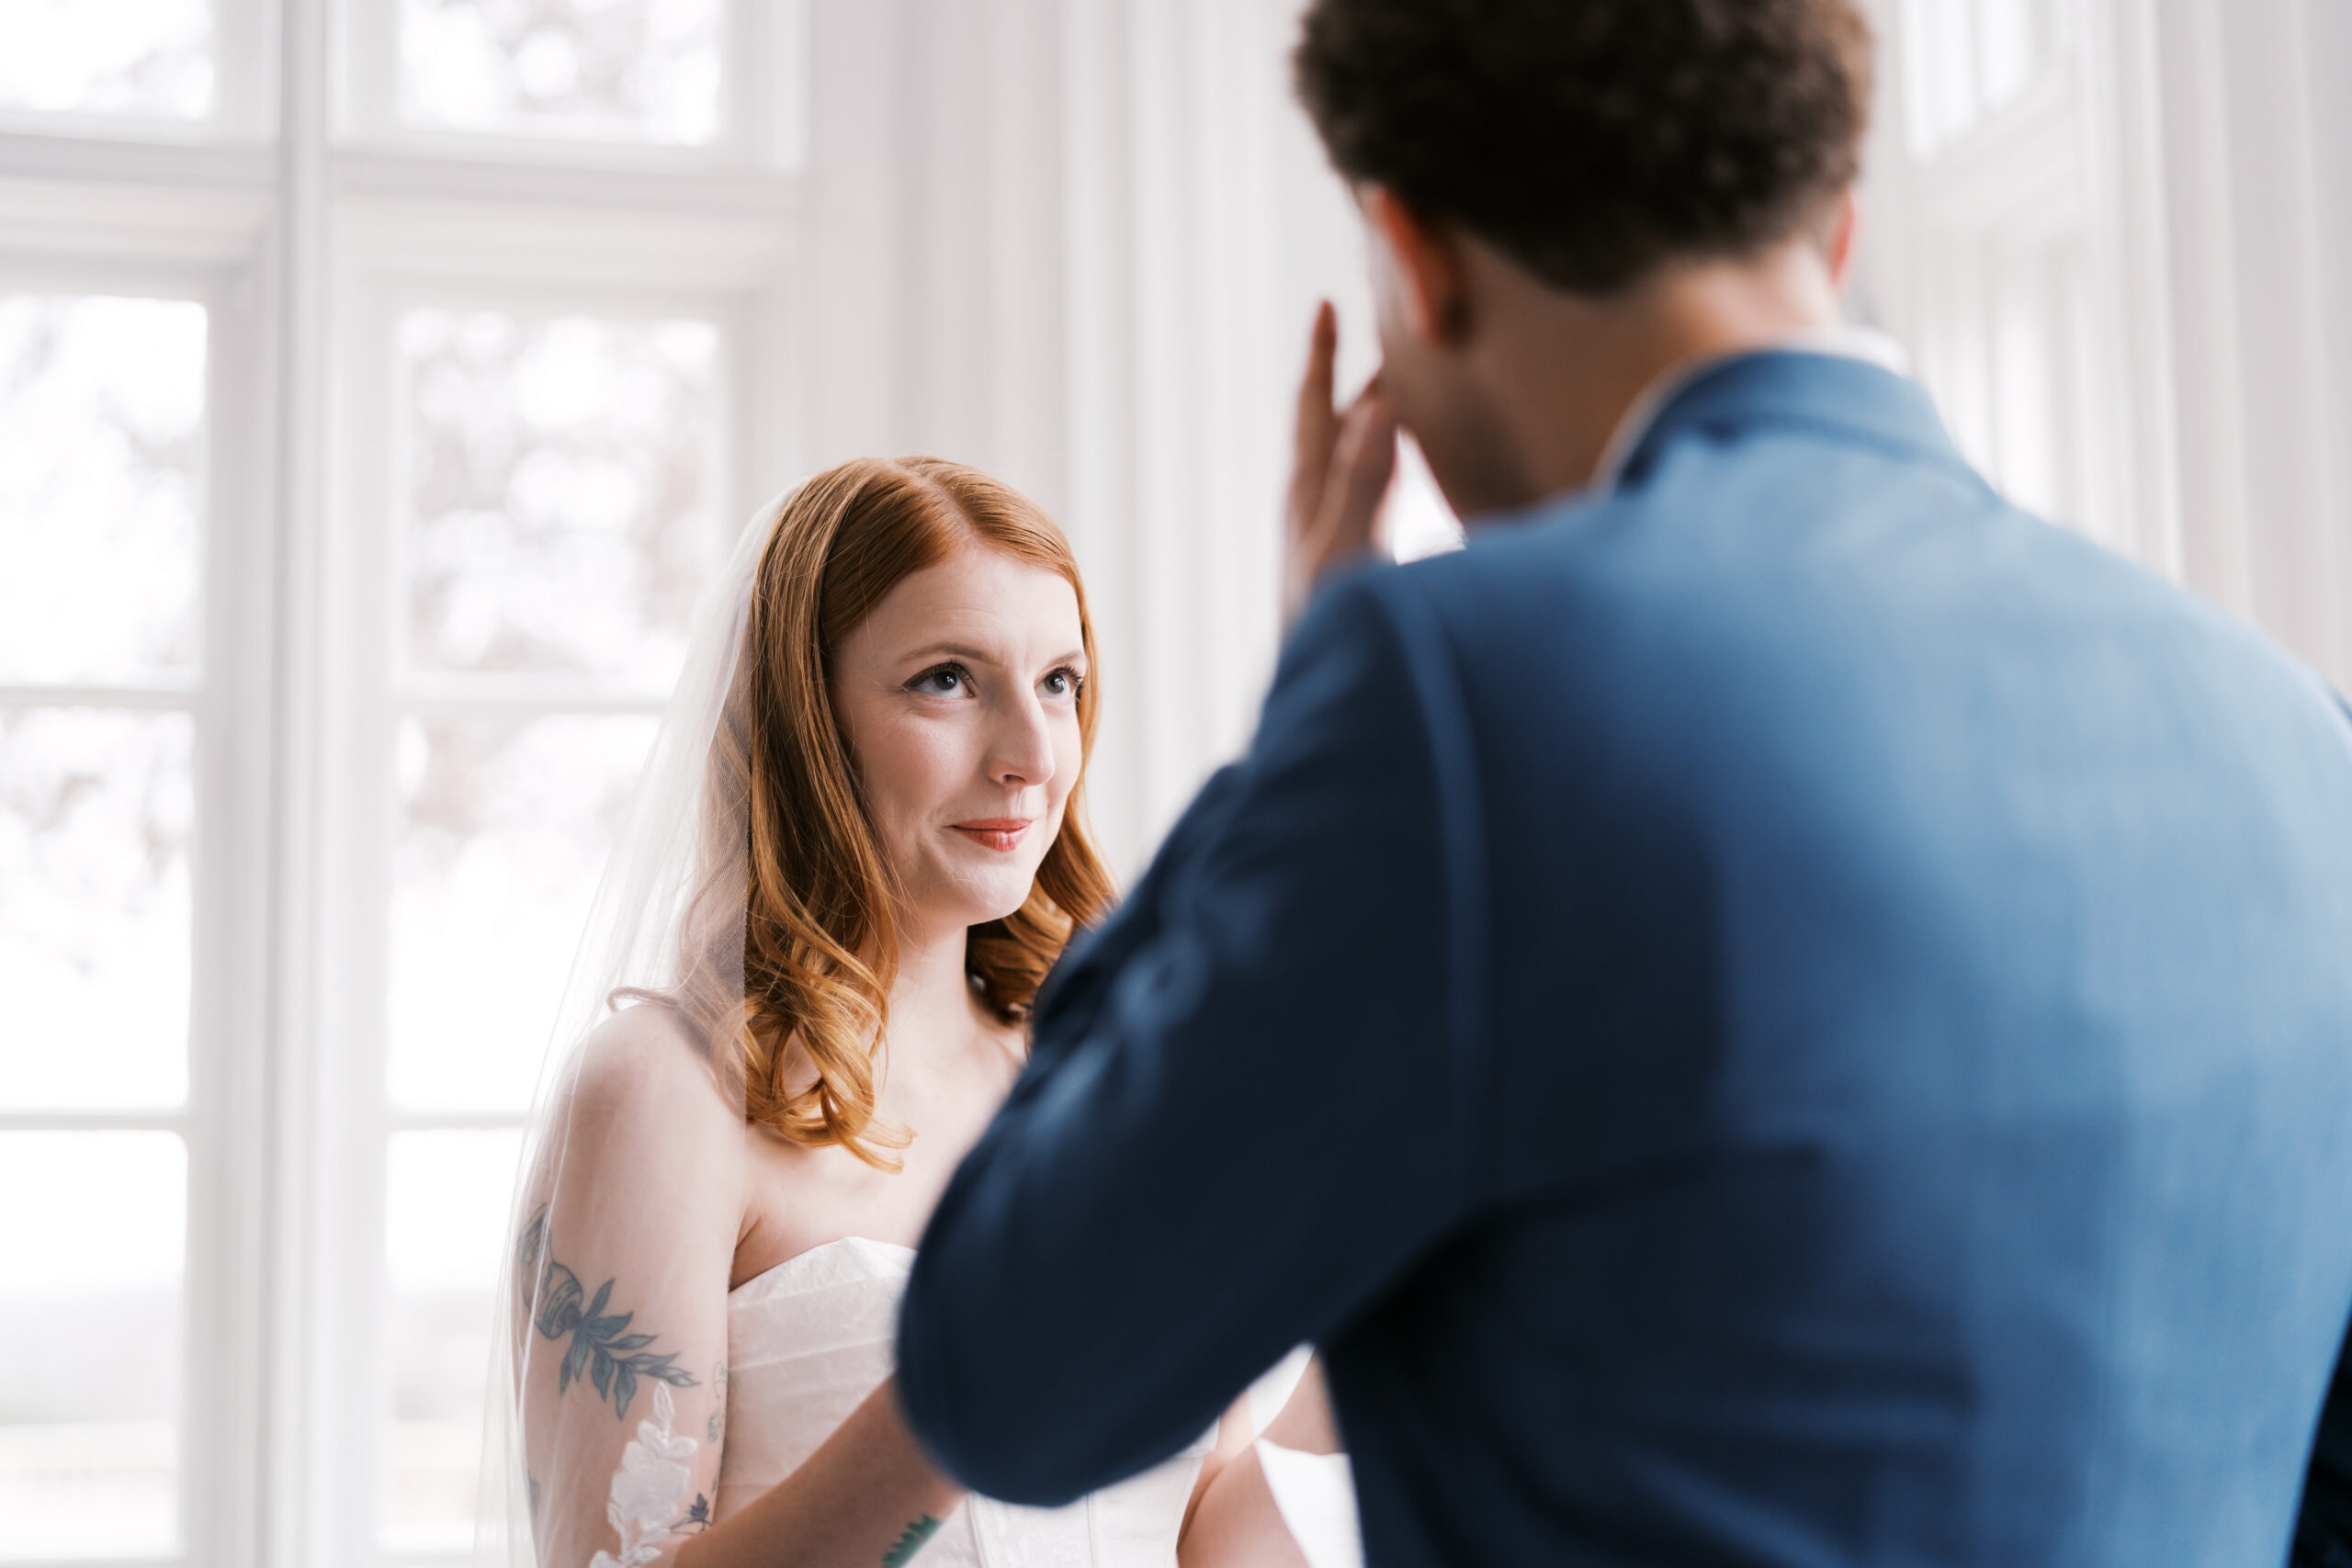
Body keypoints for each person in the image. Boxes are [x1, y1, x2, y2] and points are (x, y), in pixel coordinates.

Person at [894, 1, 2352, 1562]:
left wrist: (1291, 731)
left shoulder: (1457, 689)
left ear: (1418, 258)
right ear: (1836, 226)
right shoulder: (2296, 732)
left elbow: (1009, 1376)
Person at [483, 457, 1325, 1568]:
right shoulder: (667, 1094)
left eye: (1059, 682)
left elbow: (1203, 1538)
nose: (1031, 756)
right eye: (947, 679)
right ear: (806, 722)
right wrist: (959, 1399)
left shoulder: (1100, 1080)